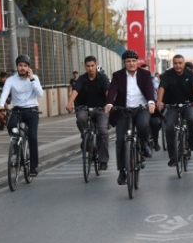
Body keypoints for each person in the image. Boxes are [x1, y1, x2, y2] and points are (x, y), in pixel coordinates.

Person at [104, 49, 155, 186]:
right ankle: (122, 172)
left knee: (143, 125)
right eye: (128, 61)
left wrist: (151, 102)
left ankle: (144, 145)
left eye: (133, 61)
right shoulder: (118, 75)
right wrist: (109, 103)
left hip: (141, 108)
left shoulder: (145, 74)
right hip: (123, 110)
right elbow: (113, 89)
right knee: (120, 140)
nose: (131, 63)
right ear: (124, 63)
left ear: (137, 62)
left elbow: (150, 89)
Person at [0, 55, 44, 176]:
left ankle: (33, 167)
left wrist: (32, 80)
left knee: (32, 137)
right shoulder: (11, 80)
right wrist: (1, 105)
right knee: (11, 126)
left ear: (29, 67)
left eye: (25, 66)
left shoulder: (34, 78)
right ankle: (17, 145)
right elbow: (4, 93)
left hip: (32, 111)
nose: (22, 68)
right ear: (17, 67)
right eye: (20, 65)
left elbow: (40, 93)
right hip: (18, 110)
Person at [66, 56, 111, 171]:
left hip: (101, 108)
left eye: (92, 66)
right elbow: (76, 91)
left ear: (96, 65)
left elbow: (107, 92)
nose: (90, 68)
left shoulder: (102, 78)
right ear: (85, 67)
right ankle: (85, 137)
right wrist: (70, 103)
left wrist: (110, 103)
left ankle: (103, 160)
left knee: (103, 131)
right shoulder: (82, 79)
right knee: (81, 119)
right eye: (88, 66)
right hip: (84, 107)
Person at [157, 55, 193, 167]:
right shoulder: (168, 74)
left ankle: (191, 140)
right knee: (169, 127)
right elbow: (162, 87)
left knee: (192, 119)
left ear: (184, 63)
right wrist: (160, 101)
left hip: (188, 104)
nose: (178, 65)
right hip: (172, 105)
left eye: (180, 63)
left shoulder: (190, 73)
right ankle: (173, 158)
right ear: (173, 64)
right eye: (175, 63)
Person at [140, 63, 162, 151]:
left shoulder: (153, 79)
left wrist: (159, 100)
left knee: (154, 122)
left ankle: (156, 142)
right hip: (139, 105)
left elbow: (157, 88)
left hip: (152, 104)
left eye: (146, 70)